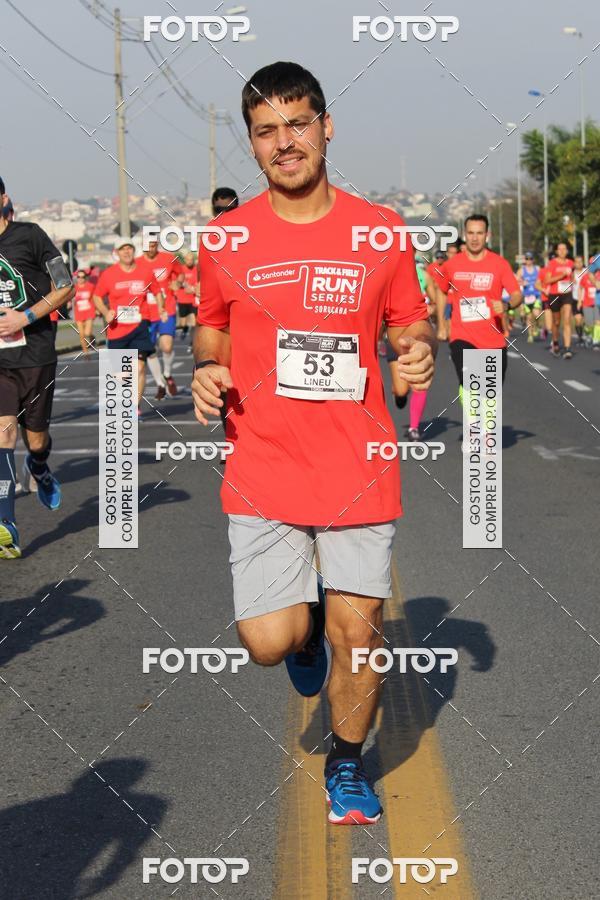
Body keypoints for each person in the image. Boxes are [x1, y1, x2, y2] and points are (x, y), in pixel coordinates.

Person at [192, 61, 435, 826]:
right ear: (254, 145)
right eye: (267, 131)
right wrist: (206, 366)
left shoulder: (380, 230)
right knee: (269, 642)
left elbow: (409, 319)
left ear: (326, 127)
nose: (284, 142)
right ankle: (301, 638)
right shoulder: (227, 237)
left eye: (297, 124)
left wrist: (417, 349)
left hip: (357, 465)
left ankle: (348, 763)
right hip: (263, 461)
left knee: (357, 635)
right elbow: (213, 321)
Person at [0, 180, 73, 559]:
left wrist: (24, 317)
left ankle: (40, 466)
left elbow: (65, 285)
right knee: (2, 431)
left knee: (37, 438)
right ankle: (6, 524)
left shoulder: (29, 236)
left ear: (3, 199)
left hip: (37, 353)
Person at [436, 214, 521, 402]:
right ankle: (474, 425)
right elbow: (441, 291)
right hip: (462, 335)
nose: (475, 238)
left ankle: (485, 429)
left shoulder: (499, 264)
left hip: (493, 339)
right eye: (471, 233)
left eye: (479, 233)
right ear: (465, 235)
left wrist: (506, 305)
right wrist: (442, 325)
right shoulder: (452, 265)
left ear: (487, 235)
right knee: (470, 382)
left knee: (490, 395)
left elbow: (517, 295)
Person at [93, 238, 162, 417]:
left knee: (139, 368)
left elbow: (157, 291)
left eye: (129, 249)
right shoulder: (108, 274)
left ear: (134, 251)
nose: (127, 252)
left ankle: (134, 407)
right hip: (117, 329)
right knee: (122, 375)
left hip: (140, 324)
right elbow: (97, 297)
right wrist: (106, 311)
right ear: (117, 253)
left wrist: (161, 309)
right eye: (122, 249)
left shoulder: (146, 272)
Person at [386, 258, 436, 440]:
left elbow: (434, 300)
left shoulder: (423, 275)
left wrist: (431, 309)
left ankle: (414, 427)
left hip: (417, 330)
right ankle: (399, 395)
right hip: (395, 334)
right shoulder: (388, 270)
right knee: (401, 390)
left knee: (418, 380)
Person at [206, 187, 240, 433]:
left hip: (246, 315)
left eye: (229, 209)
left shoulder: (251, 230)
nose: (224, 215)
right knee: (220, 379)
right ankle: (229, 431)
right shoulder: (209, 234)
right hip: (220, 318)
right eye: (219, 210)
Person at [140, 239, 182, 396]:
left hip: (166, 308)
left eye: (154, 245)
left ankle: (167, 373)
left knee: (166, 346)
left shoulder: (168, 258)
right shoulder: (137, 263)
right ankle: (159, 383)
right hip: (146, 313)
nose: (151, 248)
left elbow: (181, 275)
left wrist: (178, 283)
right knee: (149, 350)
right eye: (148, 245)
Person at [543, 241, 574, 358]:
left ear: (567, 251)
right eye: (560, 249)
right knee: (556, 322)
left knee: (566, 321)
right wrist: (561, 276)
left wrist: (572, 281)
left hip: (567, 294)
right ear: (556, 251)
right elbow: (547, 280)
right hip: (554, 295)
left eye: (564, 249)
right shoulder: (552, 263)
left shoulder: (571, 263)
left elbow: (572, 278)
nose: (562, 251)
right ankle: (555, 342)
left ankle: (567, 349)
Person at [516, 252, 541, 343]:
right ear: (525, 260)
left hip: (536, 295)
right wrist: (522, 283)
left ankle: (537, 326)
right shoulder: (521, 270)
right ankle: (530, 335)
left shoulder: (537, 269)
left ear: (533, 260)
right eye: (527, 259)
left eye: (530, 259)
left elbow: (543, 278)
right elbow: (516, 281)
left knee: (537, 314)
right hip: (526, 296)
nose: (528, 261)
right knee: (529, 317)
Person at [176, 251, 199, 344]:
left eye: (191, 260)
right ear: (184, 260)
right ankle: (184, 330)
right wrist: (183, 285)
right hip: (182, 299)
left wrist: (193, 289)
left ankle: (192, 342)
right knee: (183, 322)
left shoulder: (197, 269)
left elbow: (199, 283)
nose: (190, 261)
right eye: (188, 259)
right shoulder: (180, 270)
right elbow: (176, 283)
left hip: (193, 299)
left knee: (194, 321)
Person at [72, 269, 96, 357]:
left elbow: (94, 298)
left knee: (87, 333)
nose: (81, 279)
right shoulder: (74, 288)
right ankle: (86, 353)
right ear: (76, 278)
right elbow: (71, 300)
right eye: (79, 277)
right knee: (81, 335)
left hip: (89, 311)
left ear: (86, 278)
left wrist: (97, 309)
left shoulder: (90, 286)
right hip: (78, 313)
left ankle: (91, 337)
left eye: (83, 277)